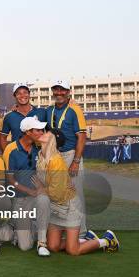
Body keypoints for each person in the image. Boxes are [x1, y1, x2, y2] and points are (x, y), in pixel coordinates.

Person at [32, 129, 119, 255]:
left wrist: (41, 189)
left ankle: (106, 240)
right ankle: (85, 240)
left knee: (73, 250)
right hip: (55, 207)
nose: (42, 133)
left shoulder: (56, 161)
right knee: (53, 246)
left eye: (46, 133)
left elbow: (56, 192)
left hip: (69, 207)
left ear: (52, 140)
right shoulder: (41, 155)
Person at [2, 116, 51, 256]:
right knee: (25, 246)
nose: (42, 132)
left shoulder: (40, 148)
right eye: (38, 130)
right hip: (19, 200)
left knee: (44, 200)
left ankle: (42, 243)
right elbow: (10, 180)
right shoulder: (11, 149)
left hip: (36, 197)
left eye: (42, 129)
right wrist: (29, 191)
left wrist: (41, 188)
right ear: (28, 132)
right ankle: (15, 226)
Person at [45, 80, 88, 237]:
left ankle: (82, 233)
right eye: (56, 90)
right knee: (57, 194)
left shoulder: (74, 110)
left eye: (62, 90)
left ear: (68, 92)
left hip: (70, 155)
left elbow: (82, 137)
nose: (59, 93)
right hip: (55, 156)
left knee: (75, 194)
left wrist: (76, 161)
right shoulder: (48, 110)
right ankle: (63, 230)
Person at [0, 83, 46, 152]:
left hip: (38, 155)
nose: (22, 95)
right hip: (17, 156)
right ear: (15, 96)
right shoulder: (9, 116)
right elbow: (2, 138)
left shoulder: (42, 112)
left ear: (29, 94)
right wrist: (7, 156)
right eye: (19, 93)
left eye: (25, 92)